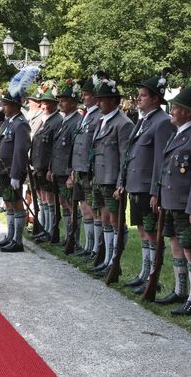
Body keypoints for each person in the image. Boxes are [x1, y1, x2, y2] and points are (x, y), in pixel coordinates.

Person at [116, 70, 176, 295]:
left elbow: (161, 160)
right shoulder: (144, 121)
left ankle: (153, 276)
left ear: (154, 98)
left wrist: (155, 191)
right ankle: (144, 272)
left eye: (142, 95)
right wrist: (124, 181)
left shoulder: (161, 123)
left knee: (151, 233)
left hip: (146, 187)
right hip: (135, 185)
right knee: (142, 231)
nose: (138, 98)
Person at [155, 84, 191, 314]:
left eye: (176, 108)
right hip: (171, 201)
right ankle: (180, 290)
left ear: (188, 111)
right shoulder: (178, 132)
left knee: (190, 250)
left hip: (184, 203)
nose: (172, 111)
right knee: (176, 245)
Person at [89, 78, 134, 277]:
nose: (98, 103)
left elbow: (125, 156)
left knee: (114, 221)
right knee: (105, 219)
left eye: (103, 100)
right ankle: (107, 259)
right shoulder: (102, 120)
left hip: (111, 179)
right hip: (100, 177)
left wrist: (120, 183)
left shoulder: (123, 123)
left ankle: (115, 261)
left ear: (114, 100)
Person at [0, 80, 32, 253]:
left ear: (15, 106)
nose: (4, 107)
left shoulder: (20, 124)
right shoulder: (8, 122)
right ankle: (10, 236)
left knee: (16, 204)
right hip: (3, 171)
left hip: (11, 172)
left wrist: (16, 174)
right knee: (8, 203)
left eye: (6, 104)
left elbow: (20, 151)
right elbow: (1, 146)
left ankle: (17, 240)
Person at [68, 77, 103, 255]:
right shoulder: (87, 114)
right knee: (84, 207)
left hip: (89, 170)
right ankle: (89, 246)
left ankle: (96, 248)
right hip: (80, 168)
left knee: (93, 209)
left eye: (87, 94)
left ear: (96, 97)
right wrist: (73, 169)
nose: (83, 97)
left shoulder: (98, 116)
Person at [48, 84, 83, 245]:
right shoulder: (64, 121)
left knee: (71, 204)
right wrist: (51, 168)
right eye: (60, 100)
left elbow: (74, 149)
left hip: (66, 170)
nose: (60, 103)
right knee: (64, 202)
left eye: (64, 101)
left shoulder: (76, 121)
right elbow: (55, 147)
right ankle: (68, 235)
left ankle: (73, 237)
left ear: (73, 103)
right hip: (58, 169)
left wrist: (71, 172)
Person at [30, 89, 62, 242]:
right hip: (37, 164)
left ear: (55, 104)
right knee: (42, 197)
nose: (43, 105)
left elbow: (55, 147)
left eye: (47, 102)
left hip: (46, 165)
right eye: (43, 102)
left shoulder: (56, 121)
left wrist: (51, 168)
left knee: (49, 198)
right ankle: (44, 226)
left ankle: (50, 229)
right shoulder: (42, 119)